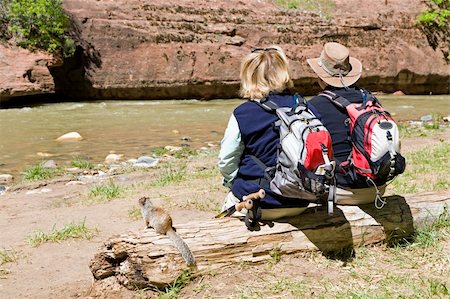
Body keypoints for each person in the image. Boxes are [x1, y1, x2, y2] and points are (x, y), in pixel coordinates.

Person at [218, 46, 309, 220]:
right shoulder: (304, 107)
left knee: (227, 207)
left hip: (258, 201)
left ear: (249, 76)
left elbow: (226, 160)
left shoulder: (243, 113)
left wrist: (233, 184)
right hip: (301, 201)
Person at [307, 41, 386, 205]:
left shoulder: (315, 105)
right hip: (378, 187)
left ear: (321, 77)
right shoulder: (369, 99)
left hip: (342, 191)